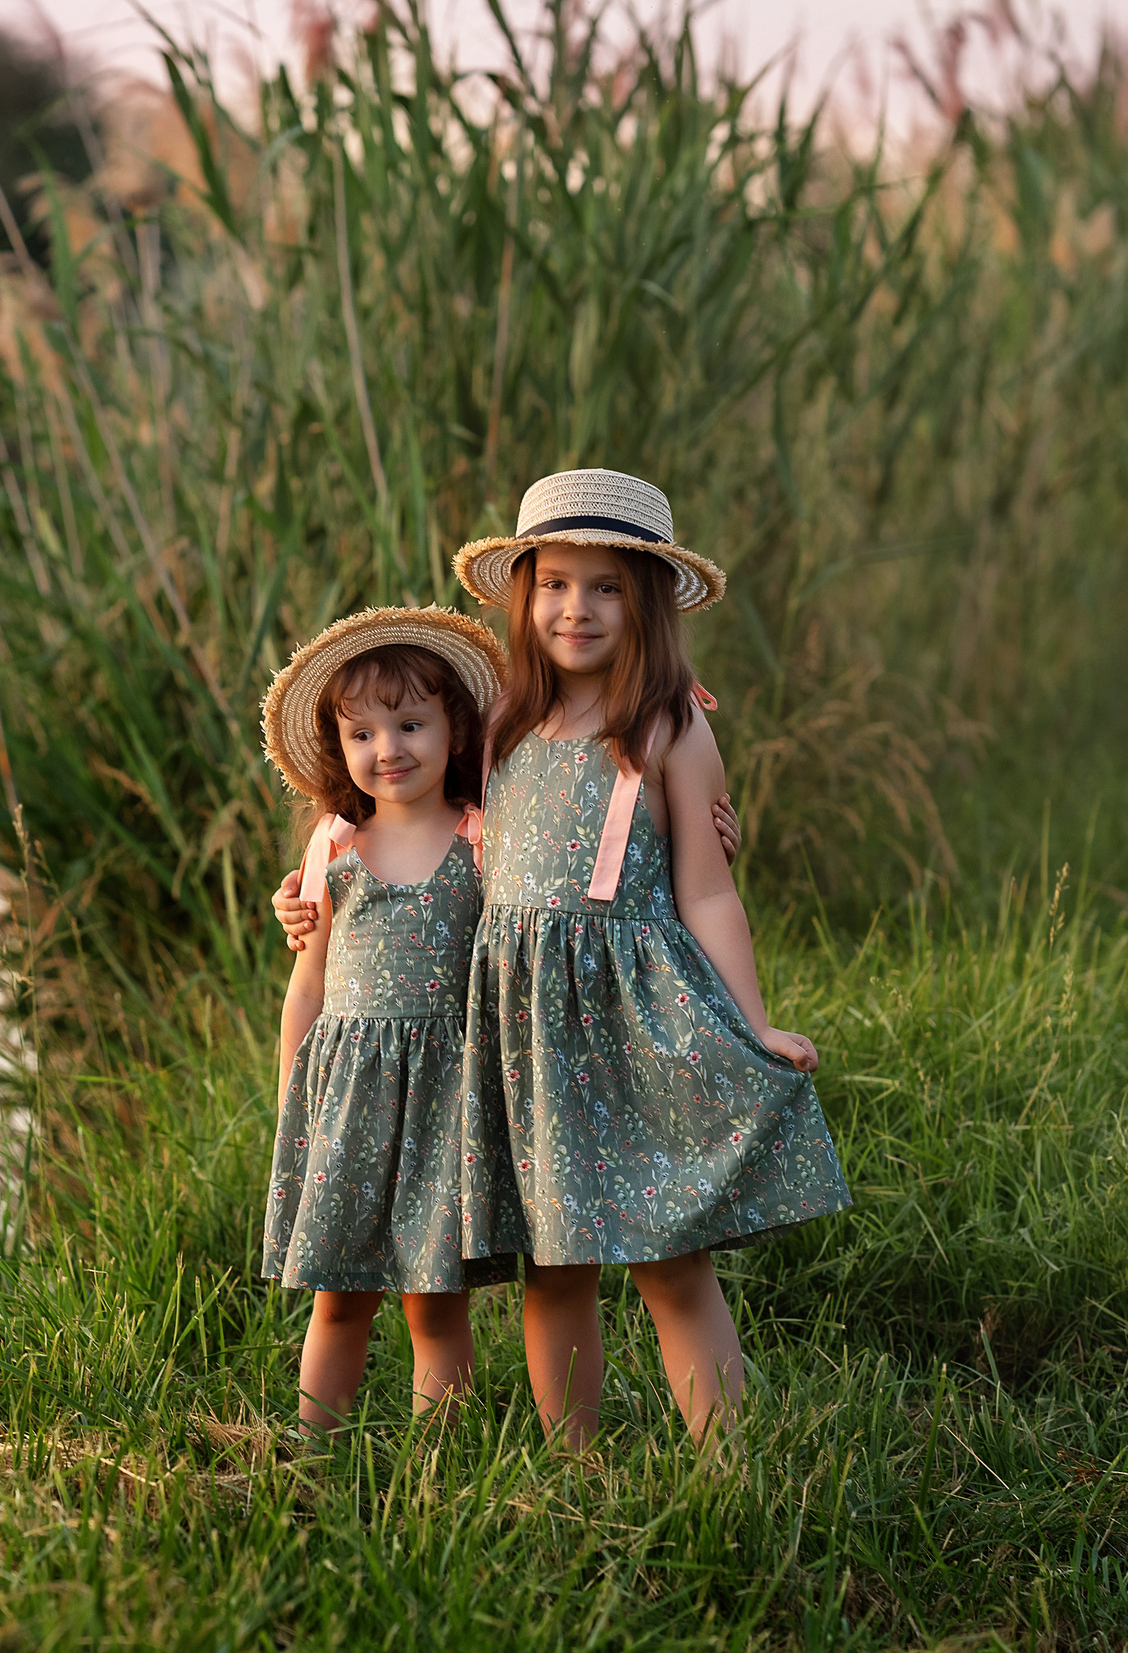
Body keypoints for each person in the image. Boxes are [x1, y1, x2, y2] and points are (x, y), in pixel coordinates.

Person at [275, 470, 850, 1450]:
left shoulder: (670, 724)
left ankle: (729, 1468)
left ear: (647, 601)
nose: (574, 608)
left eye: (605, 587)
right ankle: (572, 1471)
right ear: (521, 593)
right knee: (555, 1261)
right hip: (523, 1032)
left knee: (671, 1258)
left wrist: (750, 1021)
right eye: (553, 584)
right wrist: (308, 898)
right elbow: (407, 834)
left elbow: (707, 889)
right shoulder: (496, 728)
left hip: (626, 1012)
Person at [258, 607, 519, 1434]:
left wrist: (707, 834)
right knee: (339, 1301)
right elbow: (309, 985)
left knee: (433, 1305)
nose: (389, 749)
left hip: (448, 1097)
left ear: (454, 726)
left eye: (410, 723)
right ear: (340, 747)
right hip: (348, 1100)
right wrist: (291, 1093)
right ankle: (313, 1454)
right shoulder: (334, 847)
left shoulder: (484, 838)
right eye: (362, 732)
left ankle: (443, 1468)